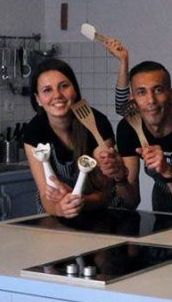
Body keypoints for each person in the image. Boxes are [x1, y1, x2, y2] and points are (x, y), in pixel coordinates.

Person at [23, 58, 133, 218]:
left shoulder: (97, 123)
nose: (57, 95)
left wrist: (80, 201)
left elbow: (105, 192)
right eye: (47, 90)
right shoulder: (34, 131)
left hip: (102, 213)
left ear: (74, 90)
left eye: (64, 86)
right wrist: (60, 209)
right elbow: (45, 194)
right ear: (38, 99)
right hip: (56, 213)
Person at [110, 61, 172, 214]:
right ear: (132, 100)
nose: (151, 101)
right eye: (142, 92)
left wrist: (167, 170)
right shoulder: (128, 128)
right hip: (162, 205)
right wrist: (120, 178)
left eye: (158, 90)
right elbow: (131, 202)